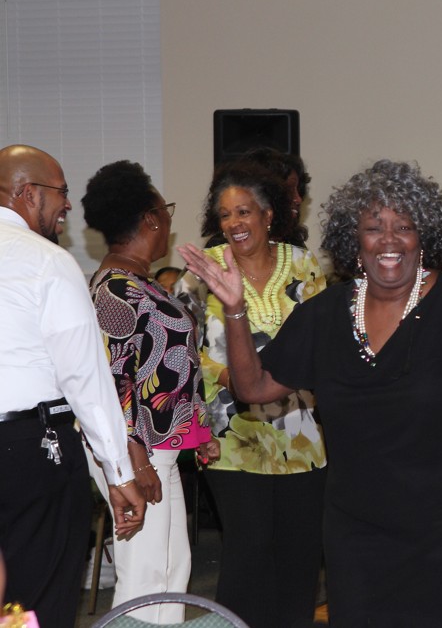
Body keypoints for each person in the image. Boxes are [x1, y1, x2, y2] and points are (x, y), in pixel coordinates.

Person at [179, 159, 442, 627]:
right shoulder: (327, 314)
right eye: (373, 227)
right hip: (361, 518)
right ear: (353, 240)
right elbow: (253, 387)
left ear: (425, 238)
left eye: (404, 226)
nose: (389, 240)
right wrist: (235, 310)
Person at [176, 161, 327, 628]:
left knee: (300, 552)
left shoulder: (302, 264)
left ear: (267, 215)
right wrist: (228, 377)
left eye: (244, 212)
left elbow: (323, 340)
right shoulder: (202, 273)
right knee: (249, 550)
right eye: (225, 216)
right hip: (231, 437)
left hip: (301, 433)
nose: (235, 224)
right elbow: (181, 357)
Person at [0, 144, 145, 628]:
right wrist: (118, 472)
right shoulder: (46, 261)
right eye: (60, 192)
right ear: (26, 193)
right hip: (30, 452)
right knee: (34, 598)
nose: (67, 205)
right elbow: (84, 375)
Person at [80, 160, 220, 623]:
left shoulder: (135, 282)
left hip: (157, 449)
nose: (170, 220)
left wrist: (198, 428)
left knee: (170, 572)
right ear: (150, 218)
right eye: (167, 209)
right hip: (135, 452)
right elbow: (112, 380)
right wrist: (134, 460)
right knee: (144, 578)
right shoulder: (115, 290)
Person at [207, 147, 312, 249]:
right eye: (289, 191)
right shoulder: (217, 252)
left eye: (298, 190)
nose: (298, 199)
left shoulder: (295, 248)